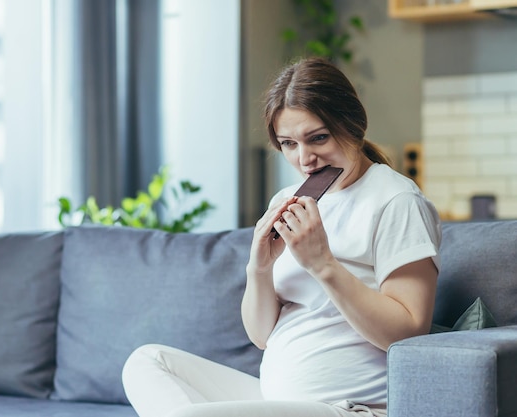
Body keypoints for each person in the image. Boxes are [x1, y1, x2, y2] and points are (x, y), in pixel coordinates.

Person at [122, 57, 442, 417]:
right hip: (275, 401)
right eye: (289, 143)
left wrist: (323, 264)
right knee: (147, 361)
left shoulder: (396, 200)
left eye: (318, 138)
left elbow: (408, 336)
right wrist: (258, 268)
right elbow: (262, 336)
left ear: (354, 125)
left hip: (349, 408)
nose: (305, 159)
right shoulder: (287, 201)